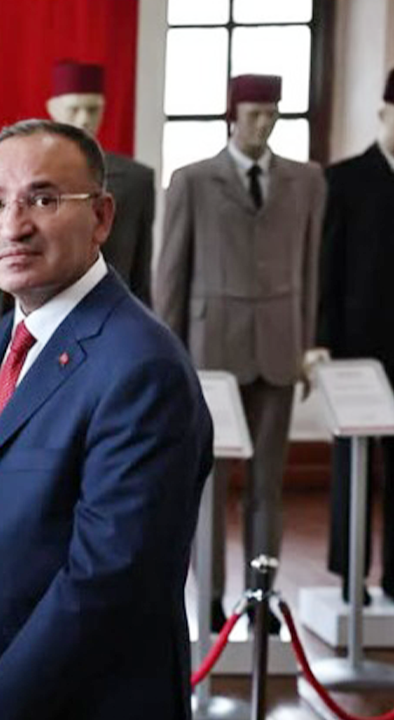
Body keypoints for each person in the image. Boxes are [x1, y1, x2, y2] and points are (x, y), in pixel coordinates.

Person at [0, 119, 211, 719]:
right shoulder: (9, 334)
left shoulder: (142, 368)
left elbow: (108, 582)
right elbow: (40, 475)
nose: (13, 226)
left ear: (101, 217)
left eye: (42, 200)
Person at [156, 74, 326, 632]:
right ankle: (208, 596)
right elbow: (171, 274)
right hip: (211, 353)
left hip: (278, 348)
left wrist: (304, 344)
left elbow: (310, 268)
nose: (263, 123)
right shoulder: (192, 181)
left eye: (271, 113)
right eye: (253, 113)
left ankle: (261, 596)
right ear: (232, 116)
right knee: (208, 482)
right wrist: (169, 356)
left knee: (268, 486)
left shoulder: (306, 181)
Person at [0, 60, 156, 368]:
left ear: (102, 214)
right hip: (31, 333)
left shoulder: (136, 181)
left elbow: (140, 277)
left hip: (107, 332)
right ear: (53, 109)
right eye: (74, 109)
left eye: (93, 109)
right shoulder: (11, 174)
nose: (84, 119)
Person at [318, 67, 394, 603]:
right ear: (384, 114)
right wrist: (321, 340)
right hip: (356, 345)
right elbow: (326, 267)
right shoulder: (343, 180)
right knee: (353, 463)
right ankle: (350, 574)